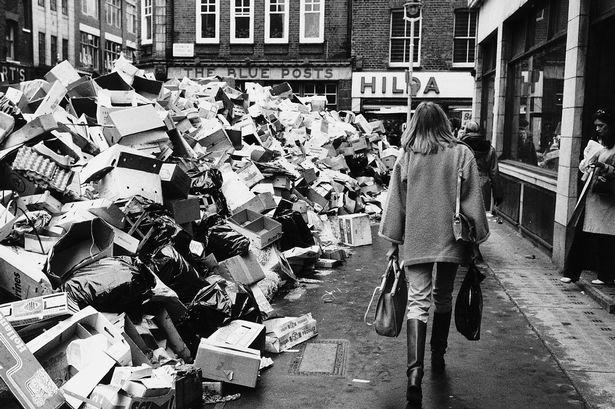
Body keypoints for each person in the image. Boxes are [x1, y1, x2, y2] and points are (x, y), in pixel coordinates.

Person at [379, 102, 489, 405]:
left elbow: (395, 201)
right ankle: (438, 353)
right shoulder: (461, 153)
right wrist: (476, 238)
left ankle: (414, 374)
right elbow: (472, 200)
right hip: (450, 237)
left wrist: (393, 241)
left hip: (416, 237)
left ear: (415, 123)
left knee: (417, 300)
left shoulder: (407, 155)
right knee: (442, 296)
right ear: (444, 123)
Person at [561, 109, 615, 285]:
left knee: (604, 237)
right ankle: (572, 272)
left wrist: (605, 168)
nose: (598, 129)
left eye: (602, 126)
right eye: (596, 126)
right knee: (583, 234)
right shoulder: (601, 144)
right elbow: (584, 167)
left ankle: (605, 274)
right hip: (593, 196)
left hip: (606, 198)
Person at [459, 120, 502, 211]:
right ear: (479, 131)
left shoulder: (461, 148)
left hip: (465, 185)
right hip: (483, 186)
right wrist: (498, 194)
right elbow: (494, 173)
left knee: (464, 216)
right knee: (481, 216)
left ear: (466, 131)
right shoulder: (490, 149)